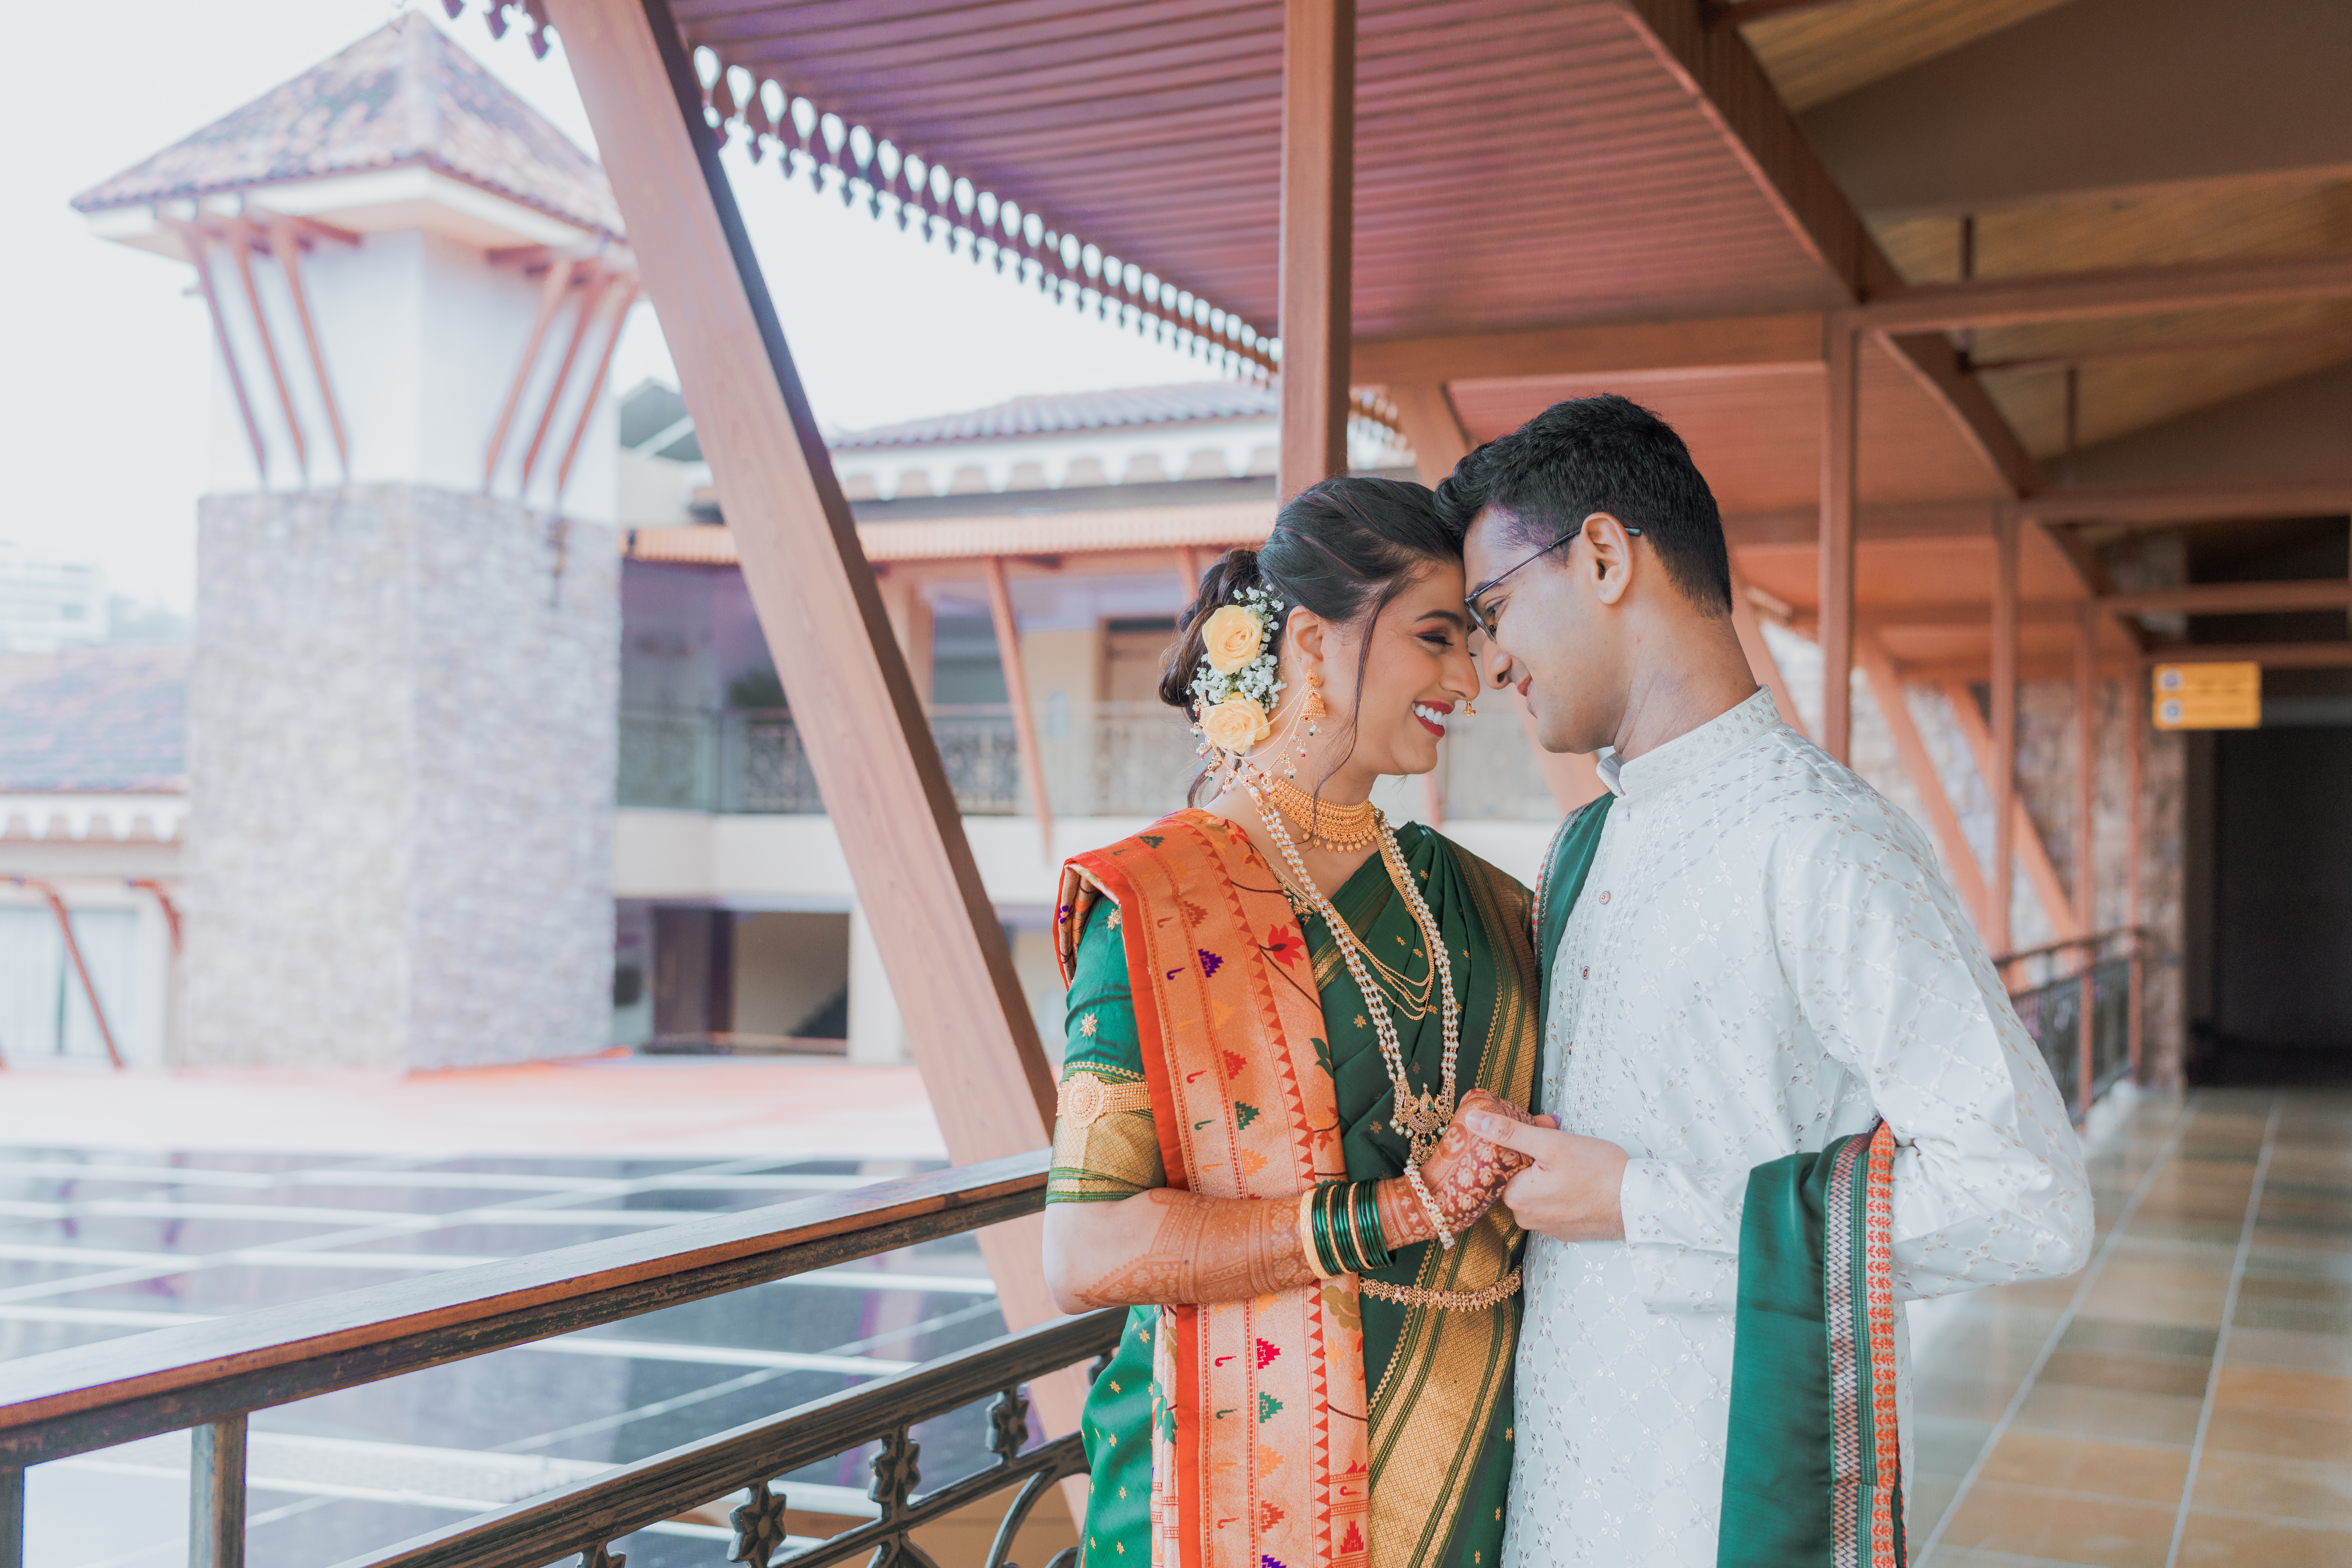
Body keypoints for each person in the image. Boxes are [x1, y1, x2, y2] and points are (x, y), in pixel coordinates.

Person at [1431, 395, 2093, 1568]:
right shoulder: (1586, 845)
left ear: (1602, 556)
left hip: (1724, 1493)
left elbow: (2028, 1196)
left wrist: (1641, 1201)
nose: (1485, 665)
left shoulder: (1823, 842)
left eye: (1490, 610)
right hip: (1554, 1490)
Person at [1041, 477, 1546, 1568]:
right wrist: (1395, 1215)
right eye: (1436, 636)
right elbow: (1086, 1250)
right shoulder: (1162, 902)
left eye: (1476, 640)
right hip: (1228, 1489)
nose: (1470, 678)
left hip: (1467, 1482)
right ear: (1313, 644)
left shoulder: (1482, 902)